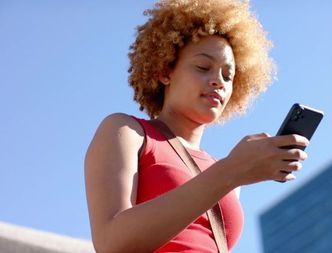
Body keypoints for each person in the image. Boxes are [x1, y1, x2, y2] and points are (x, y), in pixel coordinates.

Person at [84, 0, 309, 252]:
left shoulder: (225, 173)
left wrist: (231, 172)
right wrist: (232, 170)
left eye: (228, 75)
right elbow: (111, 243)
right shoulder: (127, 132)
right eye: (203, 67)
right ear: (165, 71)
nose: (218, 82)